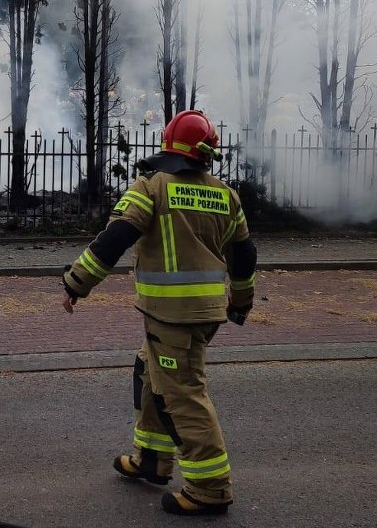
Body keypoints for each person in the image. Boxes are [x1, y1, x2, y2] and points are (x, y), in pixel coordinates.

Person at [60, 109, 258, 517]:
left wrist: (76, 282)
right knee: (149, 372)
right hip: (202, 314)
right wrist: (240, 303)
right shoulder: (226, 195)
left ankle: (210, 488)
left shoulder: (152, 187)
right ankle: (151, 459)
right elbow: (244, 256)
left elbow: (116, 236)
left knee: (182, 395)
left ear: (169, 145)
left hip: (172, 316)